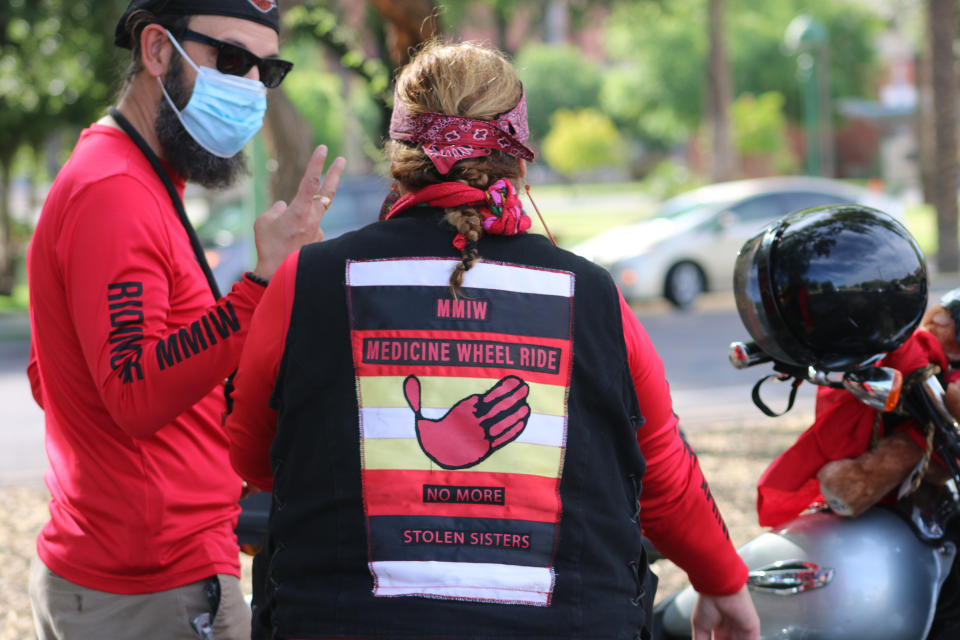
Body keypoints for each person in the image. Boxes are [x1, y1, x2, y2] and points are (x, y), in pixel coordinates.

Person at [224, 41, 759, 640]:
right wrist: (723, 581)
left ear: (399, 154)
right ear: (518, 158)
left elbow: (253, 462)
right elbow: (662, 472)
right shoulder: (593, 294)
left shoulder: (307, 281)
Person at [25, 1, 345, 638]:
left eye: (265, 70)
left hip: (144, 572)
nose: (250, 88)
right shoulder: (113, 192)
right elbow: (134, 388)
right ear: (157, 51)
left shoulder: (135, 178)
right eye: (229, 60)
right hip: (151, 588)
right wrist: (259, 285)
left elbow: (53, 376)